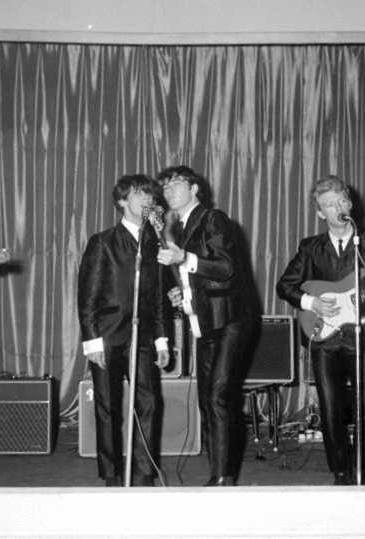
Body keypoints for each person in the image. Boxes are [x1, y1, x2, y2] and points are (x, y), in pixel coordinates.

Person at [276, 175, 365, 486]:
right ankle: (341, 472)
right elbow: (284, 286)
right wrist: (312, 303)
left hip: (362, 335)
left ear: (350, 204)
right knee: (331, 407)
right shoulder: (310, 248)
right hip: (323, 335)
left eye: (341, 201)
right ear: (320, 214)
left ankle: (362, 472)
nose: (336, 207)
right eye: (329, 205)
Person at [156, 165, 255, 487]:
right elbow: (201, 275)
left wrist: (183, 258)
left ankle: (223, 478)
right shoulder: (182, 228)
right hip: (207, 323)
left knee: (217, 397)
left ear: (195, 188)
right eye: (165, 187)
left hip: (230, 320)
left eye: (176, 184)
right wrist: (181, 290)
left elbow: (226, 268)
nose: (169, 190)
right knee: (207, 399)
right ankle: (219, 473)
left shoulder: (213, 218)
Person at [78, 174, 170, 487]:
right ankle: (111, 474)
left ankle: (144, 472)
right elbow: (87, 297)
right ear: (121, 201)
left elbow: (157, 295)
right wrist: (92, 342)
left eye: (149, 196)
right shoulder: (102, 242)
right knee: (108, 406)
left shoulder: (155, 241)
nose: (146, 201)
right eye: (139, 195)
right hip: (107, 335)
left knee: (148, 402)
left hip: (142, 336)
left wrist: (161, 339)